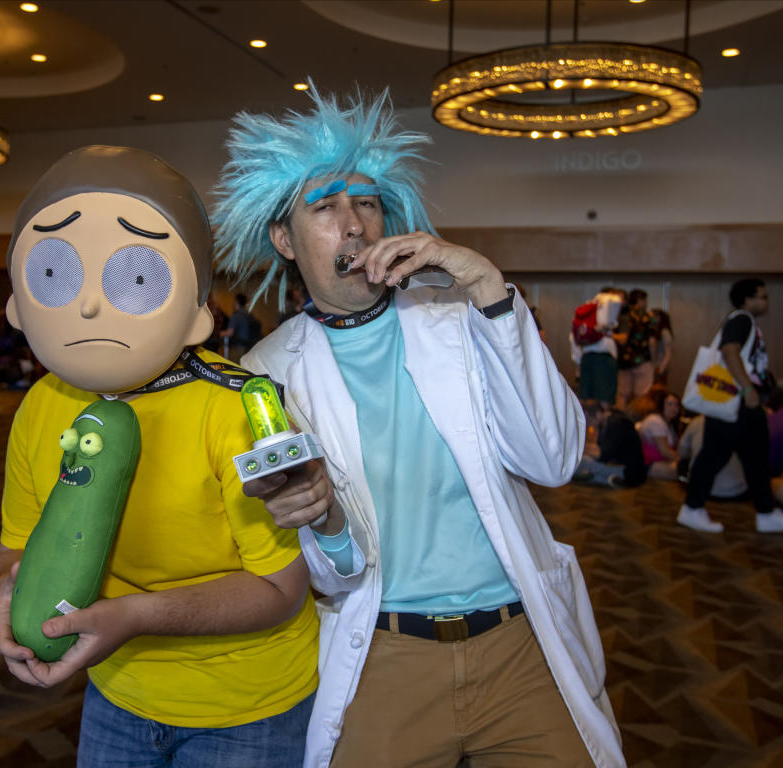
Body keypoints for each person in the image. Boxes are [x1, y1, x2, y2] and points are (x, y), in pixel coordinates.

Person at [213, 88, 623, 768]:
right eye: (325, 207)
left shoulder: (464, 321)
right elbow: (335, 574)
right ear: (284, 239)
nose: (353, 225)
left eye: (367, 203)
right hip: (383, 652)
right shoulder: (265, 376)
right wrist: (327, 519)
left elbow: (555, 459)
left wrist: (484, 281)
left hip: (520, 644)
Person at [0, 145, 318, 767]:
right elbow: (14, 547)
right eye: (56, 273)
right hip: (117, 689)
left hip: (249, 707)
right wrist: (4, 592)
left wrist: (133, 616)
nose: (88, 305)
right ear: (17, 306)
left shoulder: (237, 409)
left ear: (197, 314)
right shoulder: (42, 404)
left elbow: (280, 589)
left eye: (136, 277)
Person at [678, 278, 783, 533]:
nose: (766, 302)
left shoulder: (744, 321)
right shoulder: (742, 319)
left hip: (732, 404)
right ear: (747, 299)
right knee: (737, 457)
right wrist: (748, 388)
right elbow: (730, 350)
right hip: (738, 403)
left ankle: (698, 508)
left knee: (730, 456)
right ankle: (761, 512)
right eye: (762, 296)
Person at [576, 400, 647, 488]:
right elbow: (600, 448)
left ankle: (609, 479)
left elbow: (603, 455)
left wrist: (580, 451)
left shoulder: (615, 423)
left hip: (628, 471)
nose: (588, 424)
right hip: (623, 468)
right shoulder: (609, 421)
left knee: (583, 461)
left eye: (589, 420)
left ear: (598, 414)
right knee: (584, 461)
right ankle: (609, 480)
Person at [572, 288, 624, 407]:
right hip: (604, 357)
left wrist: (578, 361)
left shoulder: (586, 308)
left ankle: (587, 423)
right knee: (605, 397)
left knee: (585, 397)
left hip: (586, 356)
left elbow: (574, 337)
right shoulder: (608, 304)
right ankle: (603, 423)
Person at [678, 415, 748, 499]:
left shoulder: (697, 422)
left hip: (701, 490)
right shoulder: (739, 421)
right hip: (737, 489)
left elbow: (682, 453)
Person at [615, 289, 657, 409]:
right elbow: (652, 341)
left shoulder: (623, 316)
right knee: (642, 395)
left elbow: (620, 338)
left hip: (624, 362)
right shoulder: (648, 317)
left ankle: (620, 421)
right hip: (643, 360)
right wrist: (653, 362)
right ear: (640, 300)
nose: (646, 303)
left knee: (622, 394)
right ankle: (639, 421)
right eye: (645, 300)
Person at [634, 389, 681, 480]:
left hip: (660, 462)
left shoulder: (670, 425)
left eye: (676, 405)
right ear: (662, 405)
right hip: (647, 464)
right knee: (680, 469)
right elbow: (665, 452)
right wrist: (682, 461)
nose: (674, 408)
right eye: (670, 404)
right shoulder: (656, 421)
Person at [220, 292, 262, 362]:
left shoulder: (236, 316)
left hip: (238, 348)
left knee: (233, 367)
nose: (233, 303)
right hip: (250, 347)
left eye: (234, 301)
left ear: (237, 302)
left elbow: (229, 333)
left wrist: (221, 333)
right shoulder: (248, 314)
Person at [652, 308, 674, 385]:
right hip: (655, 367)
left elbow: (668, 354)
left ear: (659, 318)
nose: (652, 318)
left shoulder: (664, 332)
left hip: (660, 367)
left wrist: (661, 368)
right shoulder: (657, 331)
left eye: (654, 316)